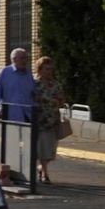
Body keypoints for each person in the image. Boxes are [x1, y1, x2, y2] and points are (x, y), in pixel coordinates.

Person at [31, 56, 67, 184]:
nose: (49, 72)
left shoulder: (55, 84)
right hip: (38, 120)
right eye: (46, 69)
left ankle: (42, 168)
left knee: (50, 150)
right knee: (41, 149)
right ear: (40, 70)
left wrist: (58, 100)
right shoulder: (34, 83)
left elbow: (62, 100)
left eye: (51, 69)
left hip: (52, 121)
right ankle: (45, 174)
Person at [0, 48, 34, 123]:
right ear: (14, 59)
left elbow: (33, 94)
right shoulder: (4, 73)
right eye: (22, 58)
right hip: (9, 116)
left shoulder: (28, 75)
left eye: (26, 58)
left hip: (27, 116)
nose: (25, 61)